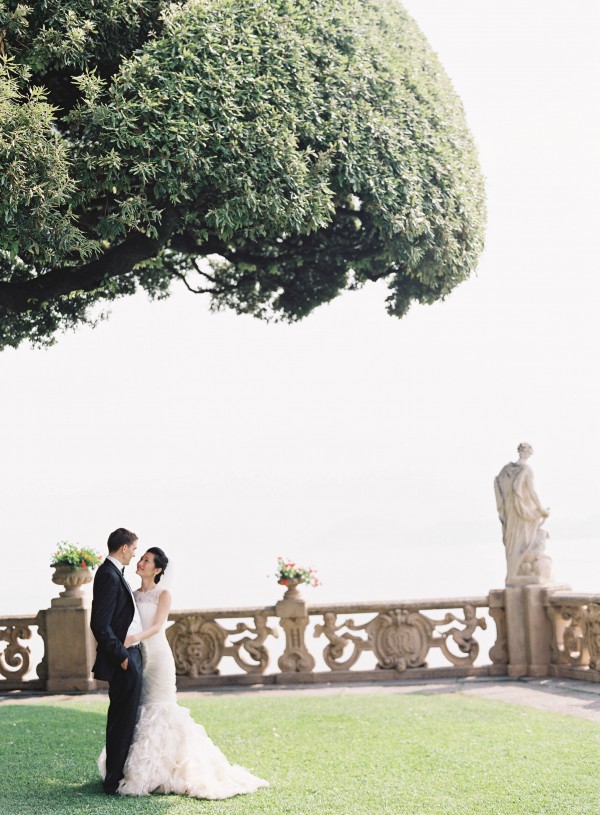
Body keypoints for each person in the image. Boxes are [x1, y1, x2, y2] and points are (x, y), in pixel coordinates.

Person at [99, 546, 269, 798]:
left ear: (157, 570)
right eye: (141, 558)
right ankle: (133, 768)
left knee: (161, 707)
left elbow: (157, 626)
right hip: (139, 658)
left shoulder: (163, 594)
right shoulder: (132, 594)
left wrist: (133, 637)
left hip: (158, 658)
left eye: (146, 560)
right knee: (139, 709)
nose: (141, 562)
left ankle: (169, 769)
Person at [90, 527, 143, 795]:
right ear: (124, 547)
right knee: (123, 719)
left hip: (129, 653)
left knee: (124, 717)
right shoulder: (109, 575)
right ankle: (114, 780)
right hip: (123, 657)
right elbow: (99, 624)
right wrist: (122, 657)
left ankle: (116, 775)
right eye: (134, 549)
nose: (135, 554)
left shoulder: (111, 573)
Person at [494, 443, 551, 585]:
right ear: (529, 453)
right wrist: (541, 509)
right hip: (521, 514)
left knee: (513, 543)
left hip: (510, 514)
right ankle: (516, 575)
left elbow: (498, 486)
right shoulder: (526, 470)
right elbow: (531, 492)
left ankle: (513, 574)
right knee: (523, 541)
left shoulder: (505, 471)